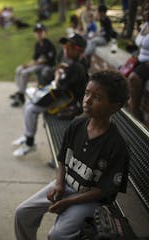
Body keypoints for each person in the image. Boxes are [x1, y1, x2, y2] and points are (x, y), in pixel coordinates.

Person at [14, 70, 130, 240]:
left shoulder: (117, 145)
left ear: (115, 106)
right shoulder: (77, 124)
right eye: (87, 93)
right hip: (66, 186)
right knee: (22, 213)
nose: (87, 101)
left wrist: (68, 202)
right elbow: (62, 159)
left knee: (57, 235)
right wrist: (59, 184)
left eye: (97, 97)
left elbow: (103, 191)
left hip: (91, 200)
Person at [12, 34, 88, 157]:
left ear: (78, 50)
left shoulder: (77, 67)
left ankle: (30, 143)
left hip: (72, 103)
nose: (65, 49)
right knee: (28, 102)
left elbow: (59, 88)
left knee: (31, 109)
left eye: (69, 46)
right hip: (65, 96)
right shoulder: (74, 63)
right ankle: (27, 136)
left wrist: (58, 76)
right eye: (65, 45)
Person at [10, 23, 56, 107]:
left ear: (45, 32)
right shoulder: (37, 45)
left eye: (40, 32)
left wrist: (32, 65)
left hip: (47, 66)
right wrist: (27, 65)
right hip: (38, 65)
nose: (38, 34)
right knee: (19, 69)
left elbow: (46, 60)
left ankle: (21, 96)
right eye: (37, 32)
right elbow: (35, 59)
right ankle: (20, 90)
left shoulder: (48, 44)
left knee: (25, 72)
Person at [127, 0, 149, 128]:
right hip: (140, 60)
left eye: (148, 9)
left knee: (133, 78)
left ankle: (135, 111)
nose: (146, 12)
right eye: (145, 9)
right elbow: (141, 45)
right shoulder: (145, 25)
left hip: (147, 64)